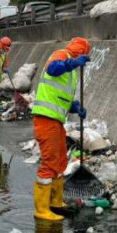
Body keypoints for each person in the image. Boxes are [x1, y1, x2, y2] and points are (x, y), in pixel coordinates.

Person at [31, 37, 91, 221]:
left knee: (59, 162)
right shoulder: (61, 56)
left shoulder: (71, 71)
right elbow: (53, 69)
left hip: (56, 120)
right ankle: (41, 210)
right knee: (49, 162)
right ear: (80, 51)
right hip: (45, 119)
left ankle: (56, 202)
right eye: (85, 53)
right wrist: (73, 62)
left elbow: (59, 95)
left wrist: (75, 108)